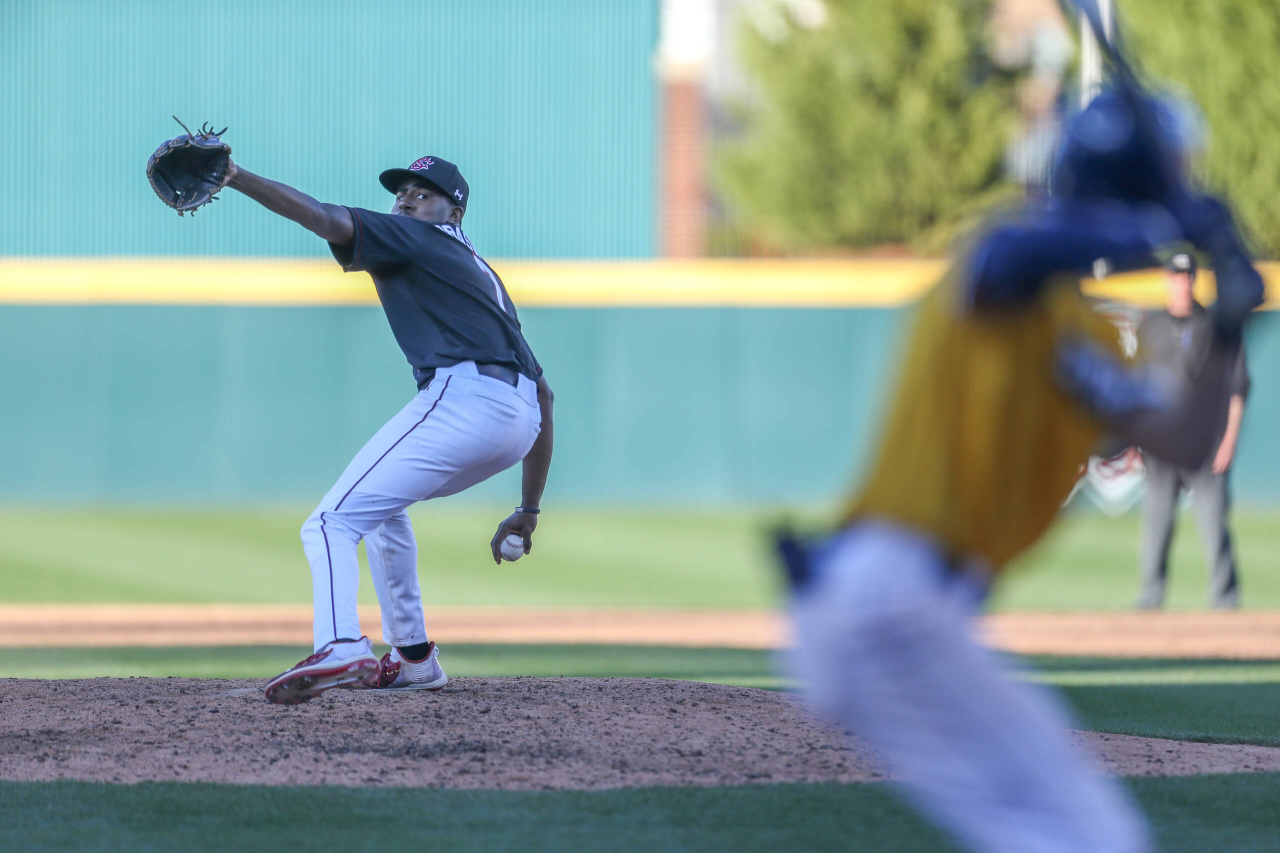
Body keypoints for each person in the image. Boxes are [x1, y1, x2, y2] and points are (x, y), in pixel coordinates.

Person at [780, 88, 1265, 853]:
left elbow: (1183, 440)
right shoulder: (998, 267)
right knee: (1089, 836)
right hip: (890, 595)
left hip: (901, 609)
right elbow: (1022, 250)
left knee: (1058, 833)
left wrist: (1230, 328)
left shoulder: (1083, 337)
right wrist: (1166, 224)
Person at [216, 154, 555, 705]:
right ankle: (415, 657)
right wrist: (530, 508)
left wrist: (235, 177)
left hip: (464, 398)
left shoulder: (421, 239)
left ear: (455, 209)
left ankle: (340, 643)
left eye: (423, 193)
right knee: (378, 508)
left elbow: (326, 218)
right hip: (517, 420)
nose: (405, 200)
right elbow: (544, 395)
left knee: (328, 522)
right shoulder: (482, 275)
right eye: (402, 193)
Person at [1136, 252, 1249, 609]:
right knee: (1157, 522)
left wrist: (1229, 440)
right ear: (1167, 280)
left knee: (1213, 523)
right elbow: (1136, 386)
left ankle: (1225, 598)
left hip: (1206, 439)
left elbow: (1237, 387)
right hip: (1162, 440)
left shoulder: (1216, 328)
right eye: (1176, 276)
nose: (1181, 283)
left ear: (1194, 281)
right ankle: (1150, 597)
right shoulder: (1149, 326)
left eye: (1187, 277)